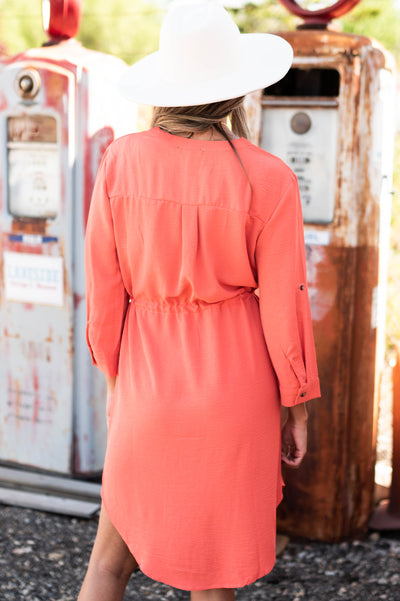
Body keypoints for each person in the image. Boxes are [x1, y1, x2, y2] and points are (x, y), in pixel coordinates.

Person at [79, 2, 320, 601]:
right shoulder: (268, 178)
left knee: (108, 564)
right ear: (237, 92)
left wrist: (116, 384)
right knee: (217, 580)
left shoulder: (120, 162)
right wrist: (297, 405)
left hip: (146, 385)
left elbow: (104, 293)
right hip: (235, 395)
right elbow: (284, 307)